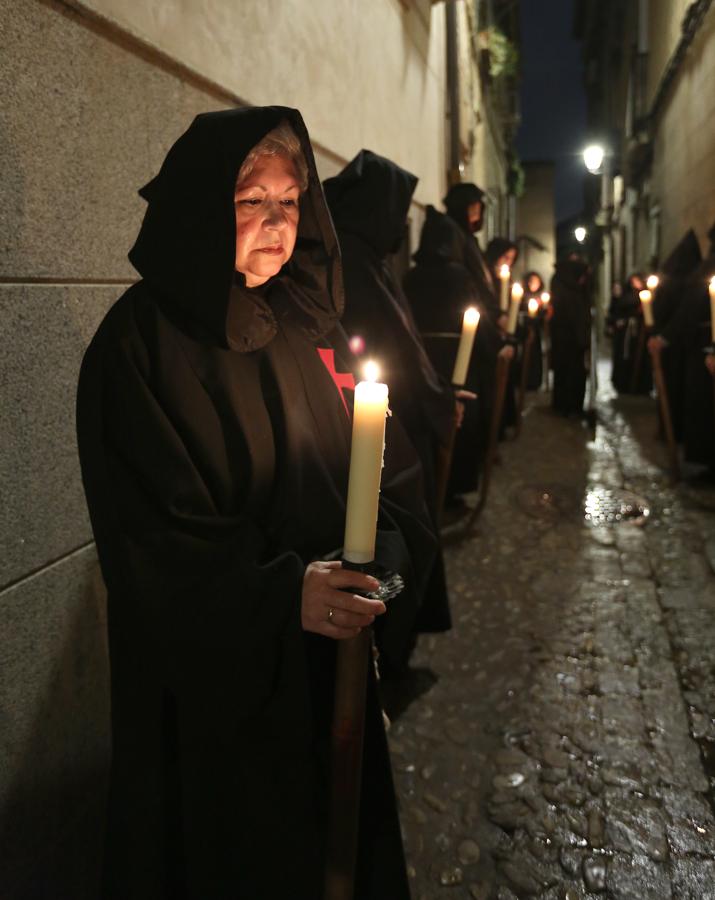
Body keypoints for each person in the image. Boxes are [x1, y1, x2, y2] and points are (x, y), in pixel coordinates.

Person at [76, 107, 434, 899]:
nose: (275, 223)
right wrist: (283, 596)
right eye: (250, 201)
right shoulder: (138, 348)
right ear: (204, 208)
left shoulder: (311, 327)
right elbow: (153, 541)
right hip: (217, 700)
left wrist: (386, 565)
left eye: (289, 201)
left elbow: (389, 474)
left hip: (327, 670)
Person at [323, 149, 456, 650]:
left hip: (394, 415)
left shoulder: (368, 260)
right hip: (380, 421)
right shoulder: (353, 265)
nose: (402, 227)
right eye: (398, 214)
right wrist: (435, 399)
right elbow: (391, 348)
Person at [403, 205, 512, 498]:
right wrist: (498, 344)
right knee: (459, 422)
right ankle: (452, 488)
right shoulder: (459, 276)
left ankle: (433, 489)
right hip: (457, 360)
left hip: (422, 361)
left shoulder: (411, 276)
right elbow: (475, 318)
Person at [550, 256, 591, 417]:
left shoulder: (567, 287)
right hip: (569, 341)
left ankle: (567, 405)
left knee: (569, 373)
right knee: (570, 374)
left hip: (568, 341)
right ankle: (569, 407)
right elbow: (575, 318)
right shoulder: (569, 292)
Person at [606, 273, 651, 394]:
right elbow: (616, 311)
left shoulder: (646, 294)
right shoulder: (625, 295)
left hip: (639, 334)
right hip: (626, 334)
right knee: (625, 358)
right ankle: (624, 385)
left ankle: (640, 386)